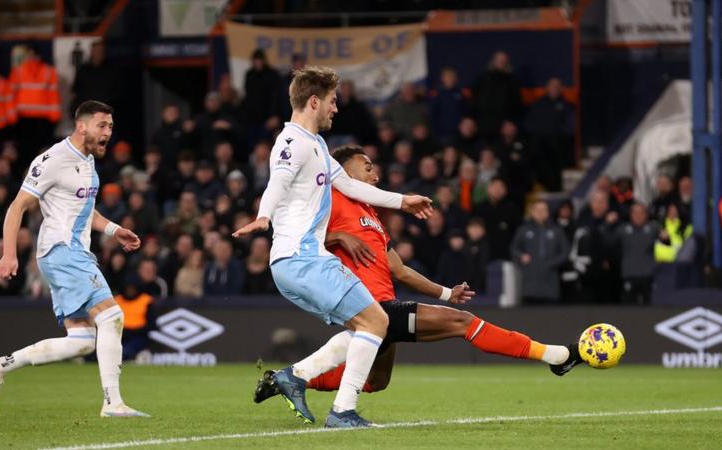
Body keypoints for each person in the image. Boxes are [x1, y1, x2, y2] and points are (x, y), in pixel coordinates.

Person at [253, 145, 583, 409]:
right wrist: (336, 238)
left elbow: (398, 269)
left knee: (376, 382)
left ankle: (287, 378)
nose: (375, 173)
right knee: (463, 323)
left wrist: (444, 293)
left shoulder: (371, 215)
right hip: (371, 305)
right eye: (367, 166)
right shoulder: (330, 200)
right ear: (343, 170)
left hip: (384, 307)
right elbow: (294, 238)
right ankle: (556, 356)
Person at [232, 66, 433, 428]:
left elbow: (354, 188)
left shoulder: (318, 145)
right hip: (301, 258)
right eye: (332, 101)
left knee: (367, 326)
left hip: (305, 260)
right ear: (314, 101)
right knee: (376, 321)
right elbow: (277, 180)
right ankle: (342, 411)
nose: (335, 108)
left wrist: (403, 201)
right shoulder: (292, 142)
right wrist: (263, 215)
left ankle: (295, 377)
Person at [0, 100, 148, 417]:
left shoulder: (87, 160)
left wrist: (114, 230)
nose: (108, 132)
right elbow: (17, 207)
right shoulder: (52, 160)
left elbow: (84, 208)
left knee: (83, 340)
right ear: (81, 125)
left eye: (111, 126)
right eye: (102, 125)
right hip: (61, 250)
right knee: (112, 317)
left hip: (73, 252)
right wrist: (10, 253)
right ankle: (113, 403)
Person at [510, 200, 570, 304]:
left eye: (544, 210)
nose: (541, 212)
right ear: (532, 212)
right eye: (538, 210)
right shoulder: (523, 230)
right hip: (529, 282)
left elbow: (565, 252)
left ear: (548, 212)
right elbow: (514, 249)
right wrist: (521, 256)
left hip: (551, 281)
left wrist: (551, 263)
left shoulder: (556, 230)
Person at [9, 44, 61, 161]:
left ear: (39, 56)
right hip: (24, 119)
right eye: (30, 55)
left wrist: (55, 115)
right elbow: (11, 95)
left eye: (33, 55)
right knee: (25, 151)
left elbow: (53, 94)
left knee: (43, 152)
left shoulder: (49, 72)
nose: (32, 58)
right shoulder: (18, 72)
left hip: (43, 120)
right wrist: (12, 116)